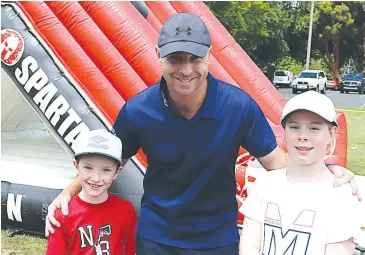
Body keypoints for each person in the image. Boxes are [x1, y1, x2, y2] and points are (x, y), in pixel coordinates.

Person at [45, 13, 360, 255]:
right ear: (158, 55)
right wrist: (67, 194)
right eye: (175, 59)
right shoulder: (138, 110)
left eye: (194, 58)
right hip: (157, 237)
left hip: (217, 238)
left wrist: (328, 174)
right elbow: (105, 161)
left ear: (209, 55)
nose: (185, 69)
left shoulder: (238, 106)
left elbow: (279, 164)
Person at [240, 91, 361, 255]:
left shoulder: (341, 195)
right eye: (294, 127)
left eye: (314, 128)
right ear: (285, 133)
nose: (303, 136)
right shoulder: (265, 184)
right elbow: (249, 247)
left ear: (331, 135)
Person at [46, 129, 137, 255]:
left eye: (106, 170)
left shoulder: (126, 211)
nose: (96, 178)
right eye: (88, 168)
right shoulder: (62, 214)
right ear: (76, 166)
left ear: (117, 172)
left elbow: (129, 251)